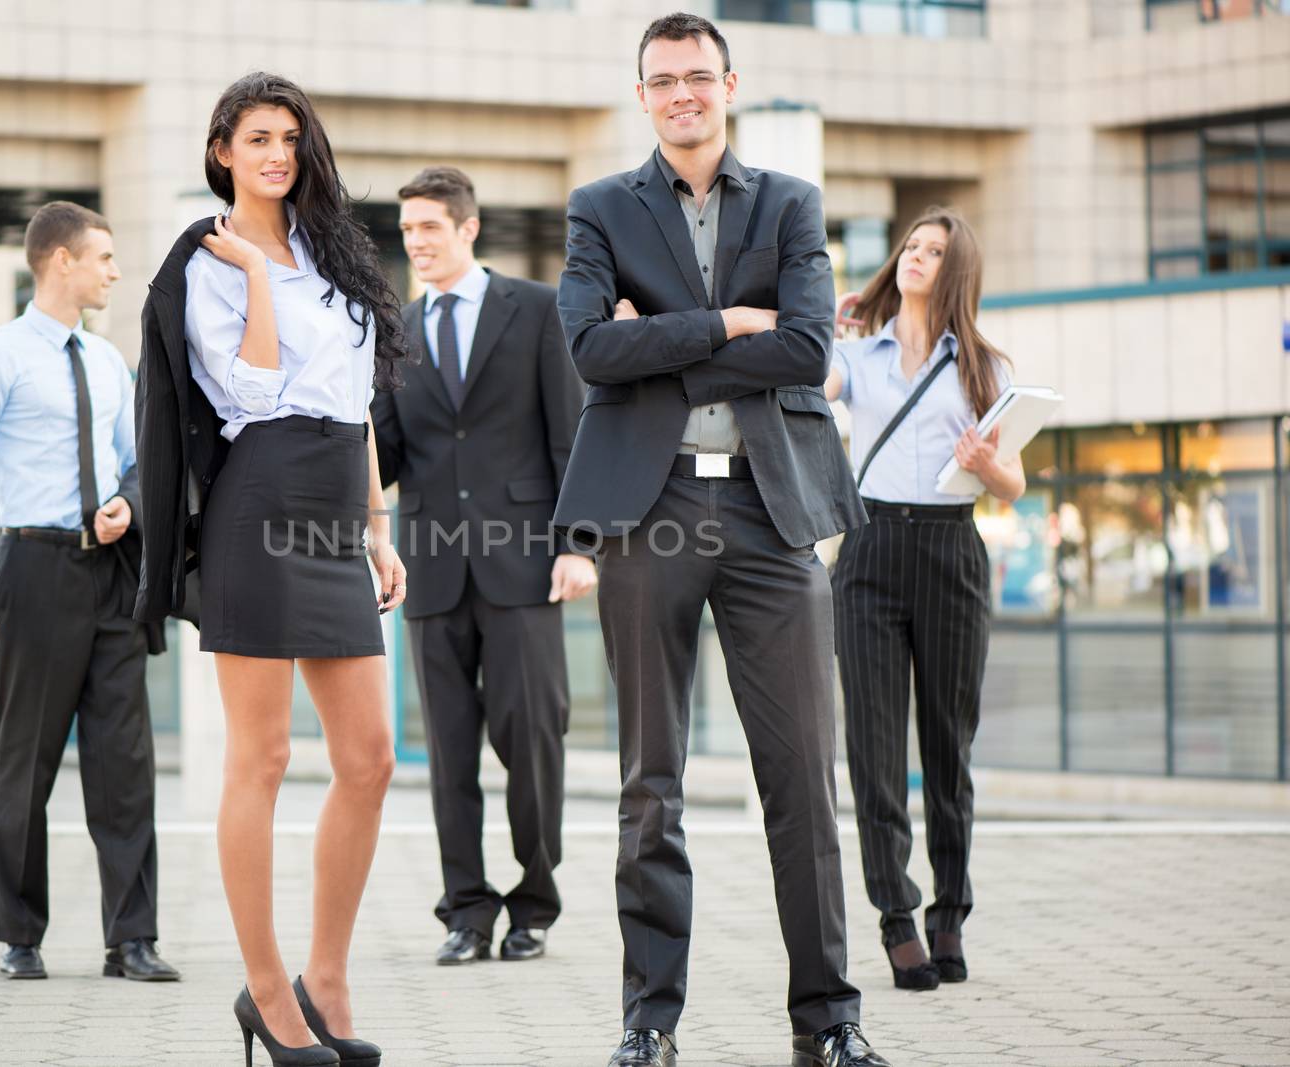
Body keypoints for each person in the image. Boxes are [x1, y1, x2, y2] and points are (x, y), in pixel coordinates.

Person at [554, 13, 891, 1067]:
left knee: (801, 774)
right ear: (643, 95)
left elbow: (802, 346)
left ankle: (828, 1021)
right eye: (663, 80)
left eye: (699, 76)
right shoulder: (599, 207)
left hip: (767, 508)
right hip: (645, 510)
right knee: (648, 783)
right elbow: (586, 351)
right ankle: (647, 1024)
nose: (682, 94)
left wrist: (662, 345)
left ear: (730, 85)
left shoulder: (788, 202)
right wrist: (724, 326)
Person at [134, 72, 406, 1067]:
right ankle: (264, 988)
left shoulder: (335, 251)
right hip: (260, 498)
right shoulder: (204, 260)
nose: (277, 153)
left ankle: (324, 978)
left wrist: (378, 526)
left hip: (341, 500)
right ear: (221, 151)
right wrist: (252, 274)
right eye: (256, 137)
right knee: (263, 757)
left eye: (290, 137)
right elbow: (246, 387)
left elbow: (360, 399)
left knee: (369, 756)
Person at [0, 201, 180, 984]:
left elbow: (140, 464)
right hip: (32, 570)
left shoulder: (107, 362)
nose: (113, 270)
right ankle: (20, 936)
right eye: (102, 256)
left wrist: (128, 506)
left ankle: (131, 938)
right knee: (25, 760)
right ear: (60, 261)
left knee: (125, 762)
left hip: (111, 577)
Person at [372, 166, 591, 967]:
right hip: (430, 569)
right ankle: (466, 909)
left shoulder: (535, 309)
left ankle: (534, 901)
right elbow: (385, 449)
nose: (417, 244)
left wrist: (580, 542)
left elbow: (570, 432)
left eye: (429, 227)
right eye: (407, 232)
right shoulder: (395, 329)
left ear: (467, 228)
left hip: (526, 562)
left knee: (535, 739)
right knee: (449, 752)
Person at [825, 207, 1024, 992]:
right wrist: (822, 320)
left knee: (948, 748)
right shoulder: (857, 355)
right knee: (875, 753)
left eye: (934, 250)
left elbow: (1013, 484)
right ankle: (896, 918)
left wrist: (988, 462)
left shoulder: (986, 369)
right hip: (869, 549)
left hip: (952, 550)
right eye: (911, 245)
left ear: (957, 268)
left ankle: (950, 914)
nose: (916, 257)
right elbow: (813, 381)